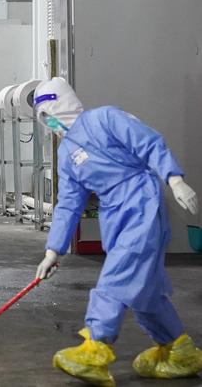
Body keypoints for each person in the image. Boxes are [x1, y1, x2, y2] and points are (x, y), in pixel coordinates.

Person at [33, 77, 202, 386]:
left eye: (49, 112)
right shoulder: (66, 154)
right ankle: (180, 352)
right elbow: (69, 204)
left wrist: (174, 178)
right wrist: (52, 250)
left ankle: (95, 348)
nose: (49, 122)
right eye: (43, 118)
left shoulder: (105, 118)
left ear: (62, 103)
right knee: (145, 291)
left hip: (141, 203)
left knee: (117, 277)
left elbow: (148, 142)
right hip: (113, 213)